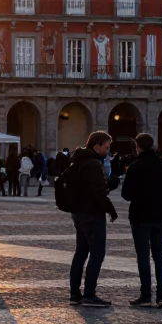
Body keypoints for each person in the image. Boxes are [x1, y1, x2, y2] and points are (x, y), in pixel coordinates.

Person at [121, 132, 162, 308]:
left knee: (143, 257)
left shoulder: (135, 167)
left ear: (138, 147)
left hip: (140, 218)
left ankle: (146, 296)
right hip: (161, 218)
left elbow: (126, 195)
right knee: (159, 256)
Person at [68, 130, 117, 308]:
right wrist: (111, 208)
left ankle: (75, 294)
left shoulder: (78, 161)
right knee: (97, 253)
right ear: (96, 146)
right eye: (106, 147)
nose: (107, 151)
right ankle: (89, 295)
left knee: (81, 253)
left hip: (78, 213)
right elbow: (97, 192)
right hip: (91, 214)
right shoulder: (93, 164)